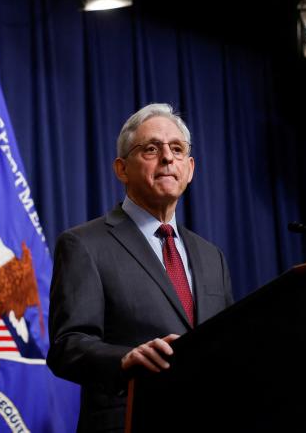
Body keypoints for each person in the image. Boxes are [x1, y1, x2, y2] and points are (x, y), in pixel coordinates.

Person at [47, 103, 234, 432]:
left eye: (177, 149)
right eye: (151, 148)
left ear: (189, 169)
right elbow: (67, 347)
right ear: (121, 169)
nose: (167, 158)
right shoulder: (84, 244)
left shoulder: (211, 256)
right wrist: (123, 359)